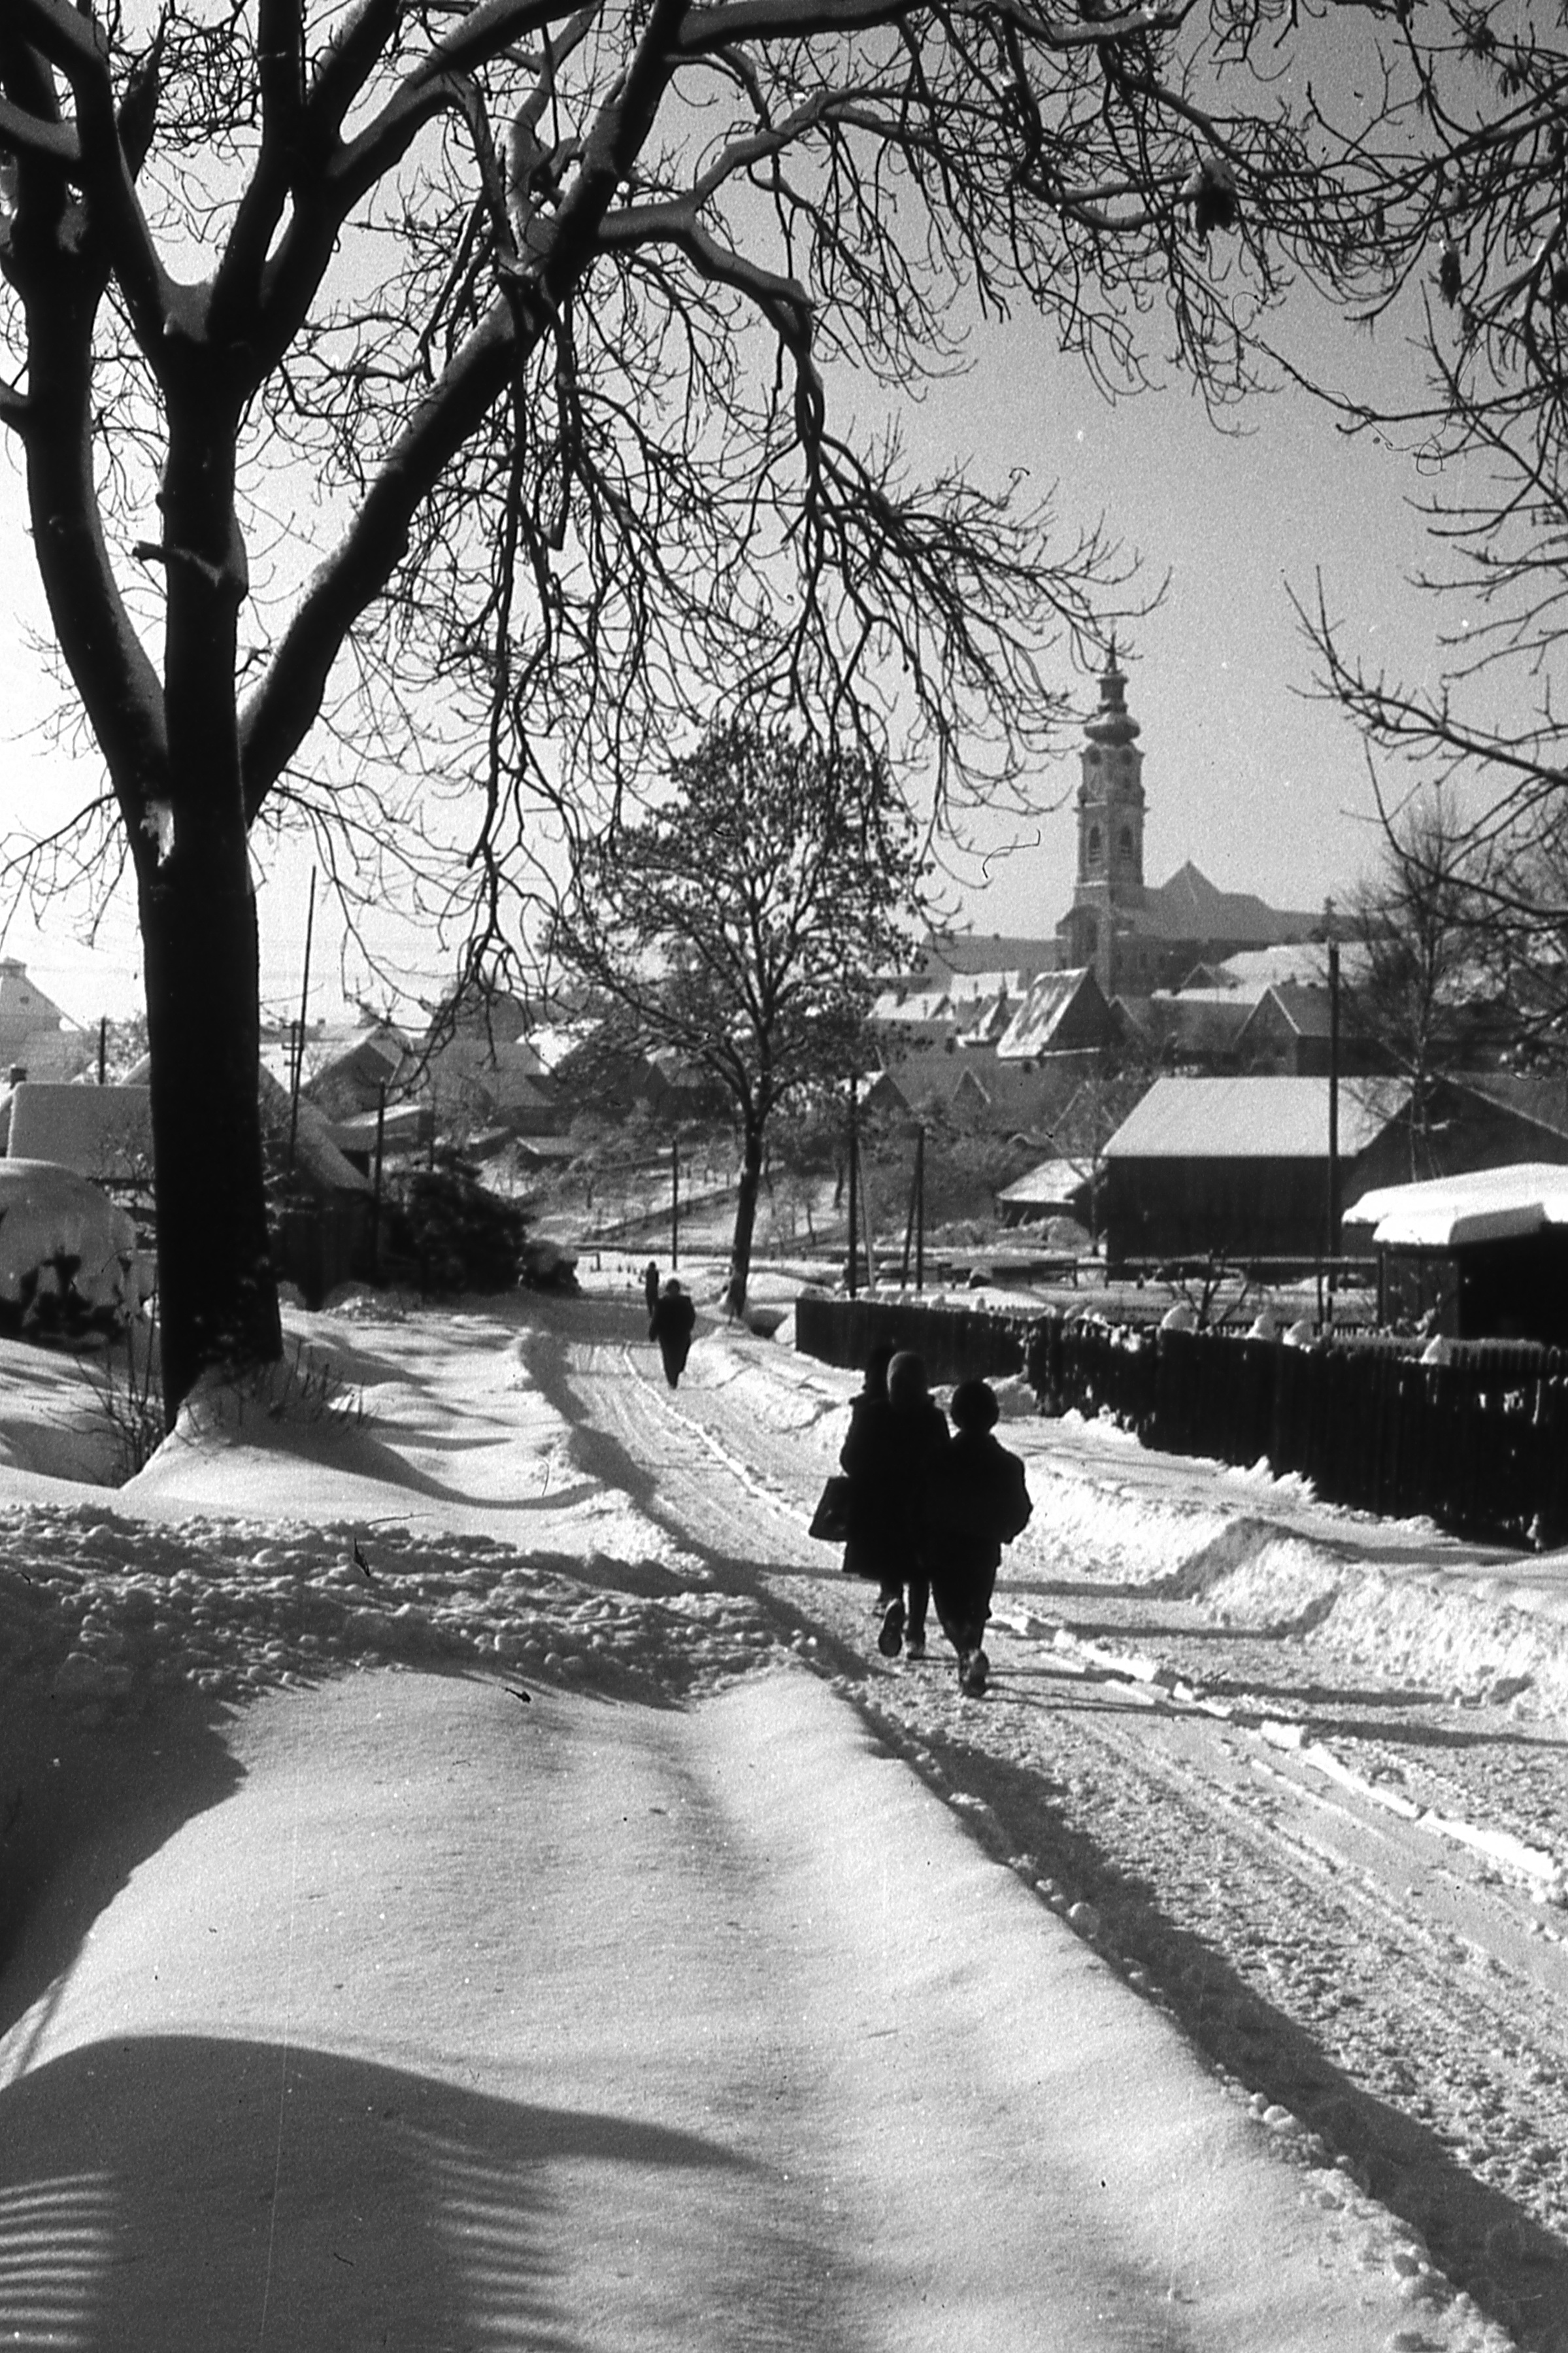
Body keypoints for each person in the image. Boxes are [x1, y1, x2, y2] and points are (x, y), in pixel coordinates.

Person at [841, 1348, 948, 1661]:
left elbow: (849, 1459)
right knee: (920, 1573)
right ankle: (916, 1633)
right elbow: (945, 1461)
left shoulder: (874, 1414)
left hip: (882, 1508)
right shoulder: (934, 1418)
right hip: (923, 1510)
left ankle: (891, 1600)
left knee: (890, 1561)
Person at [929, 1378, 1032, 1698]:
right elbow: (1020, 1508)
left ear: (956, 1416)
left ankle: (967, 1655)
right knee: (976, 1608)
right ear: (993, 1416)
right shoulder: (1008, 1464)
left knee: (949, 1610)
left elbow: (923, 1500)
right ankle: (971, 1661)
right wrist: (1004, 1531)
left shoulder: (940, 1458)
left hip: (944, 1547)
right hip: (984, 1549)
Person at [648, 1276, 697, 1389]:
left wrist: (688, 1327)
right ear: (668, 1291)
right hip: (667, 1336)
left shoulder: (685, 1303)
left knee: (680, 1359)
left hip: (682, 1335)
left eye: (675, 1289)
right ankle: (672, 1379)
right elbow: (656, 1319)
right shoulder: (662, 1304)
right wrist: (653, 1333)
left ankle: (677, 1372)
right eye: (671, 1290)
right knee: (668, 1358)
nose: (673, 1292)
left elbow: (692, 1316)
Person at [642, 1260, 661, 1327]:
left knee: (650, 1302)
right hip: (654, 1289)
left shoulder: (648, 1272)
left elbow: (647, 1281)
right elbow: (657, 1281)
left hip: (649, 1289)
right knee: (655, 1301)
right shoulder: (656, 1273)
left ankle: (651, 1313)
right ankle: (655, 1313)